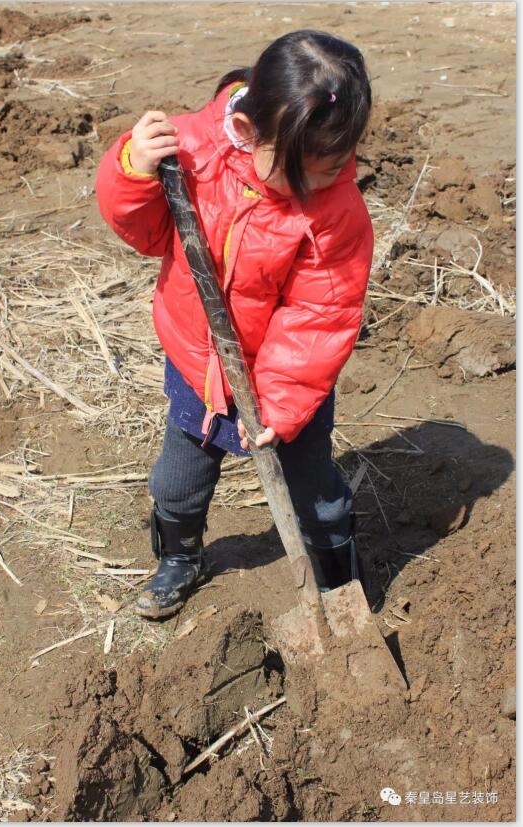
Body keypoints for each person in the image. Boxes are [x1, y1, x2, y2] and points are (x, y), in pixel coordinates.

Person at [96, 29, 374, 619]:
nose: (320, 188)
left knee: (314, 492)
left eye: (335, 167)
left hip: (288, 385)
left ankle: (337, 581)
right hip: (197, 364)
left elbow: (320, 316)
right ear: (248, 132)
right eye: (305, 175)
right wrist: (132, 172)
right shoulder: (188, 151)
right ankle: (180, 556)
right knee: (178, 481)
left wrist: (279, 405)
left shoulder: (336, 210)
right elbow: (146, 233)